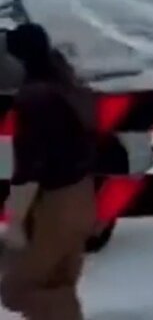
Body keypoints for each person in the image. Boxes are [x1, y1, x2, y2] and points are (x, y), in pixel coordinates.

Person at [0, 23, 97, 320]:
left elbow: (31, 167)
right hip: (83, 195)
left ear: (20, 59)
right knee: (55, 282)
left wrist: (15, 220)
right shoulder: (66, 87)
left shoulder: (35, 98)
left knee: (15, 291)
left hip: (56, 204)